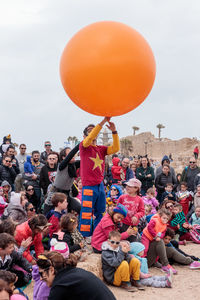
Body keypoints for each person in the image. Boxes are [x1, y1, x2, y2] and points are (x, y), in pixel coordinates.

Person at [79, 117, 120, 237]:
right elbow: (90, 138)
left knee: (101, 213)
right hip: (88, 186)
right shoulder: (84, 146)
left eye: (94, 130)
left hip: (100, 186)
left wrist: (114, 131)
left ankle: (97, 236)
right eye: (90, 130)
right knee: (86, 213)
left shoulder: (101, 149)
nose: (94, 132)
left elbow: (116, 148)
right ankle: (85, 237)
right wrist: (102, 122)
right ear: (84, 135)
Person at [36, 252, 116, 300]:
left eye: (41, 274)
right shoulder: (72, 273)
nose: (40, 278)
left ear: (51, 270)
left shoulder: (60, 285)